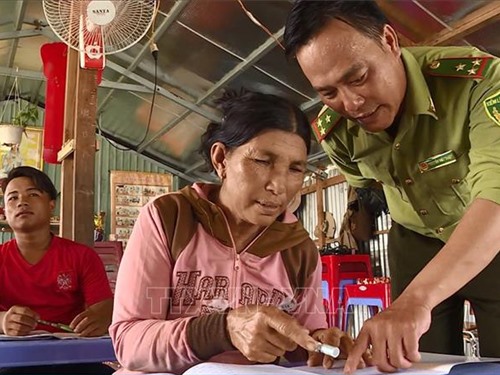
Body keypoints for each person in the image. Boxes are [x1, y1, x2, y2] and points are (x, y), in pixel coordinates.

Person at [284, 0, 500, 373]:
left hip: (488, 232)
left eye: (358, 77)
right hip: (413, 239)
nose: (352, 104)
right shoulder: (335, 132)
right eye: (328, 92)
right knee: (419, 362)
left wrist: (415, 299)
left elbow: (496, 194)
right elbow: (368, 187)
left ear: (389, 40)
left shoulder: (478, 81)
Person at [110, 89, 371, 374]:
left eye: (295, 169)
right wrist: (223, 328)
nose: (279, 186)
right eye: (262, 161)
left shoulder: (299, 250)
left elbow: (303, 345)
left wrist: (320, 343)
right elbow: (129, 342)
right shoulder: (170, 218)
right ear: (221, 159)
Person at [0, 166, 114, 375]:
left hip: (74, 361)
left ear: (51, 203)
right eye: (12, 198)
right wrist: (3, 320)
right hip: (13, 363)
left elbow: (104, 308)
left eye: (32, 194)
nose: (21, 202)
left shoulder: (82, 256)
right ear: (5, 211)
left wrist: (100, 318)